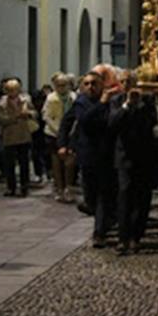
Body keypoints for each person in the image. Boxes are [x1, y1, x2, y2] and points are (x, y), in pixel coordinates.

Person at [59, 70, 115, 247]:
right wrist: (62, 144)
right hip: (87, 154)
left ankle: (99, 233)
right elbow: (81, 120)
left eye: (94, 84)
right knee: (90, 195)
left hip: (106, 155)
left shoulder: (112, 103)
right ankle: (102, 216)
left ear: (102, 85)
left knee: (103, 196)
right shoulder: (82, 102)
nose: (90, 87)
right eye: (87, 84)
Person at [108, 70, 158, 254]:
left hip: (145, 155)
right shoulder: (116, 101)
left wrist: (139, 106)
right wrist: (127, 105)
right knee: (124, 195)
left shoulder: (148, 100)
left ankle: (136, 236)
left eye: (131, 81)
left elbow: (152, 122)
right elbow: (113, 124)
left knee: (143, 197)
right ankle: (123, 237)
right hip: (124, 156)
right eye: (123, 82)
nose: (127, 85)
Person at [0, 79, 36, 197]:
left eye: (15, 89)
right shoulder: (2, 103)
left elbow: (35, 113)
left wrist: (28, 114)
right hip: (9, 135)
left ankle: (24, 186)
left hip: (23, 135)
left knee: (24, 162)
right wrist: (15, 117)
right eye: (9, 90)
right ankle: (11, 187)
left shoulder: (25, 100)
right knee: (9, 163)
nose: (12, 92)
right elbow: (1, 119)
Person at [44, 73, 77, 203]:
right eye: (58, 85)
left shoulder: (73, 98)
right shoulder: (51, 98)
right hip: (54, 133)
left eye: (64, 85)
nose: (61, 88)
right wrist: (58, 131)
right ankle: (59, 188)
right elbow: (47, 116)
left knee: (69, 162)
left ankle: (69, 187)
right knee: (56, 162)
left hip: (70, 133)